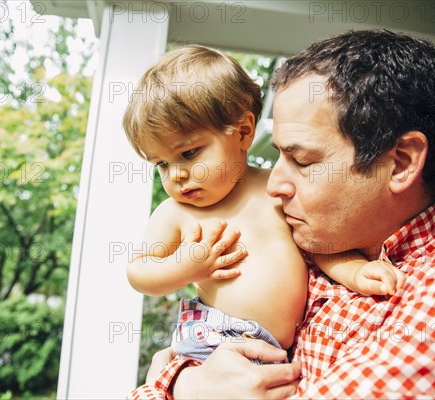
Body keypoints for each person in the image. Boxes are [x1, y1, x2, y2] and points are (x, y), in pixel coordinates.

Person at [129, 30, 435, 399]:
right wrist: (177, 379)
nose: (275, 184)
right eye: (277, 155)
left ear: (401, 163)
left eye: (302, 159)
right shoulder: (312, 236)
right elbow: (144, 279)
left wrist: (165, 383)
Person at [122, 45, 405, 365]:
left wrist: (356, 271)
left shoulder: (277, 190)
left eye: (189, 154)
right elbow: (139, 271)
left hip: (281, 352)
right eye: (161, 164)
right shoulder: (177, 212)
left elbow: (317, 247)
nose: (177, 175)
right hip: (213, 341)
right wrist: (186, 266)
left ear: (243, 132)